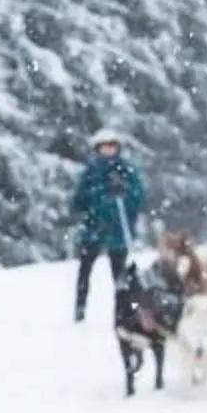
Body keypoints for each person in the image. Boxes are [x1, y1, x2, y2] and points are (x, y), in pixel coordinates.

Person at [68, 127, 148, 322]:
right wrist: (94, 202)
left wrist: (124, 192)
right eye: (104, 147)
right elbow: (79, 200)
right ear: (98, 149)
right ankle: (80, 308)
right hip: (94, 229)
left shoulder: (126, 170)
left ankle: (123, 311)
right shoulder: (91, 172)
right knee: (85, 270)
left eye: (112, 146)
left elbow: (138, 199)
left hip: (117, 231)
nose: (108, 150)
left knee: (120, 276)